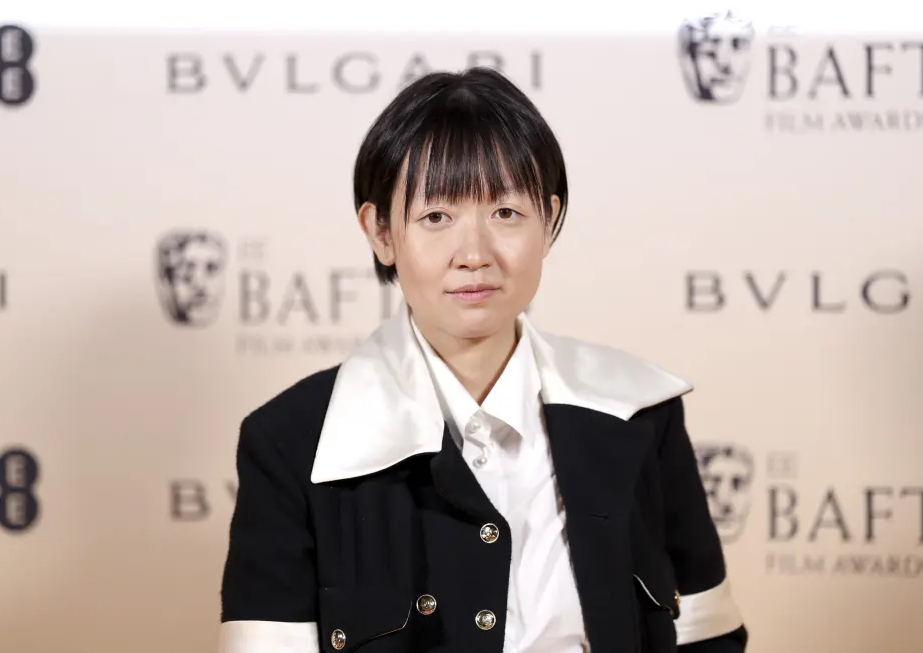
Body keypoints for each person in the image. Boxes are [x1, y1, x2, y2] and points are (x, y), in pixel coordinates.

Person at [218, 67, 747, 653]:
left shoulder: (637, 414)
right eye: (436, 217)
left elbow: (707, 636)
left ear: (548, 221)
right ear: (381, 233)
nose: (473, 255)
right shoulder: (292, 443)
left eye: (506, 214)